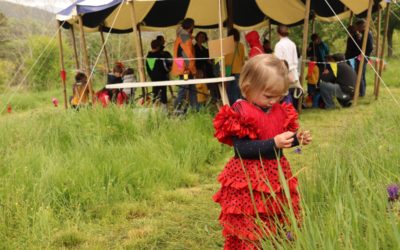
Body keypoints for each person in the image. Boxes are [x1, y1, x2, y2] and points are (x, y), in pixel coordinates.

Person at [213, 54, 312, 249]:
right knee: (250, 218)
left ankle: (274, 242)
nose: (273, 101)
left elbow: (278, 139)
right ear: (248, 88)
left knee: (274, 214)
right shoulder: (241, 112)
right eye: (268, 96)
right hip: (249, 178)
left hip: (276, 175)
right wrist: (273, 143)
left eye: (279, 96)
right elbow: (242, 149)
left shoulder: (279, 112)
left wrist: (296, 139)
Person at [171, 18, 198, 112]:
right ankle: (177, 110)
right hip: (186, 69)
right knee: (184, 90)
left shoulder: (180, 37)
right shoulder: (185, 37)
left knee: (191, 89)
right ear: (191, 26)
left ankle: (194, 110)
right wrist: (193, 70)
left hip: (181, 67)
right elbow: (189, 56)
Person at [274, 24, 302, 108]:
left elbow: (278, 62)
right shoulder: (292, 44)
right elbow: (295, 60)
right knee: (290, 94)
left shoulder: (279, 45)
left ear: (278, 33)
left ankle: (288, 112)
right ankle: (290, 111)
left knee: (285, 95)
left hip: (284, 73)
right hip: (293, 73)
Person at [224, 28, 245, 105]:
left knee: (229, 90)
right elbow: (243, 60)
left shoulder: (225, 46)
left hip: (228, 70)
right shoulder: (241, 46)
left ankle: (231, 107)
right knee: (238, 90)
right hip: (239, 71)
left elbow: (224, 59)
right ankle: (238, 107)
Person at [146, 39, 170, 106]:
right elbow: (165, 67)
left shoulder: (149, 56)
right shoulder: (160, 56)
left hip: (153, 78)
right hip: (162, 77)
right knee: (163, 94)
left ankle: (154, 108)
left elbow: (149, 69)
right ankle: (164, 109)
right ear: (158, 47)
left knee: (155, 93)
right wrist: (167, 71)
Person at [355, 19, 373, 97]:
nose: (357, 29)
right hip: (362, 56)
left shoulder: (367, 34)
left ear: (361, 26)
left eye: (357, 27)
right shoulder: (364, 33)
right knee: (360, 74)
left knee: (360, 75)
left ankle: (362, 93)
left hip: (363, 57)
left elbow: (370, 47)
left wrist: (364, 55)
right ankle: (361, 91)